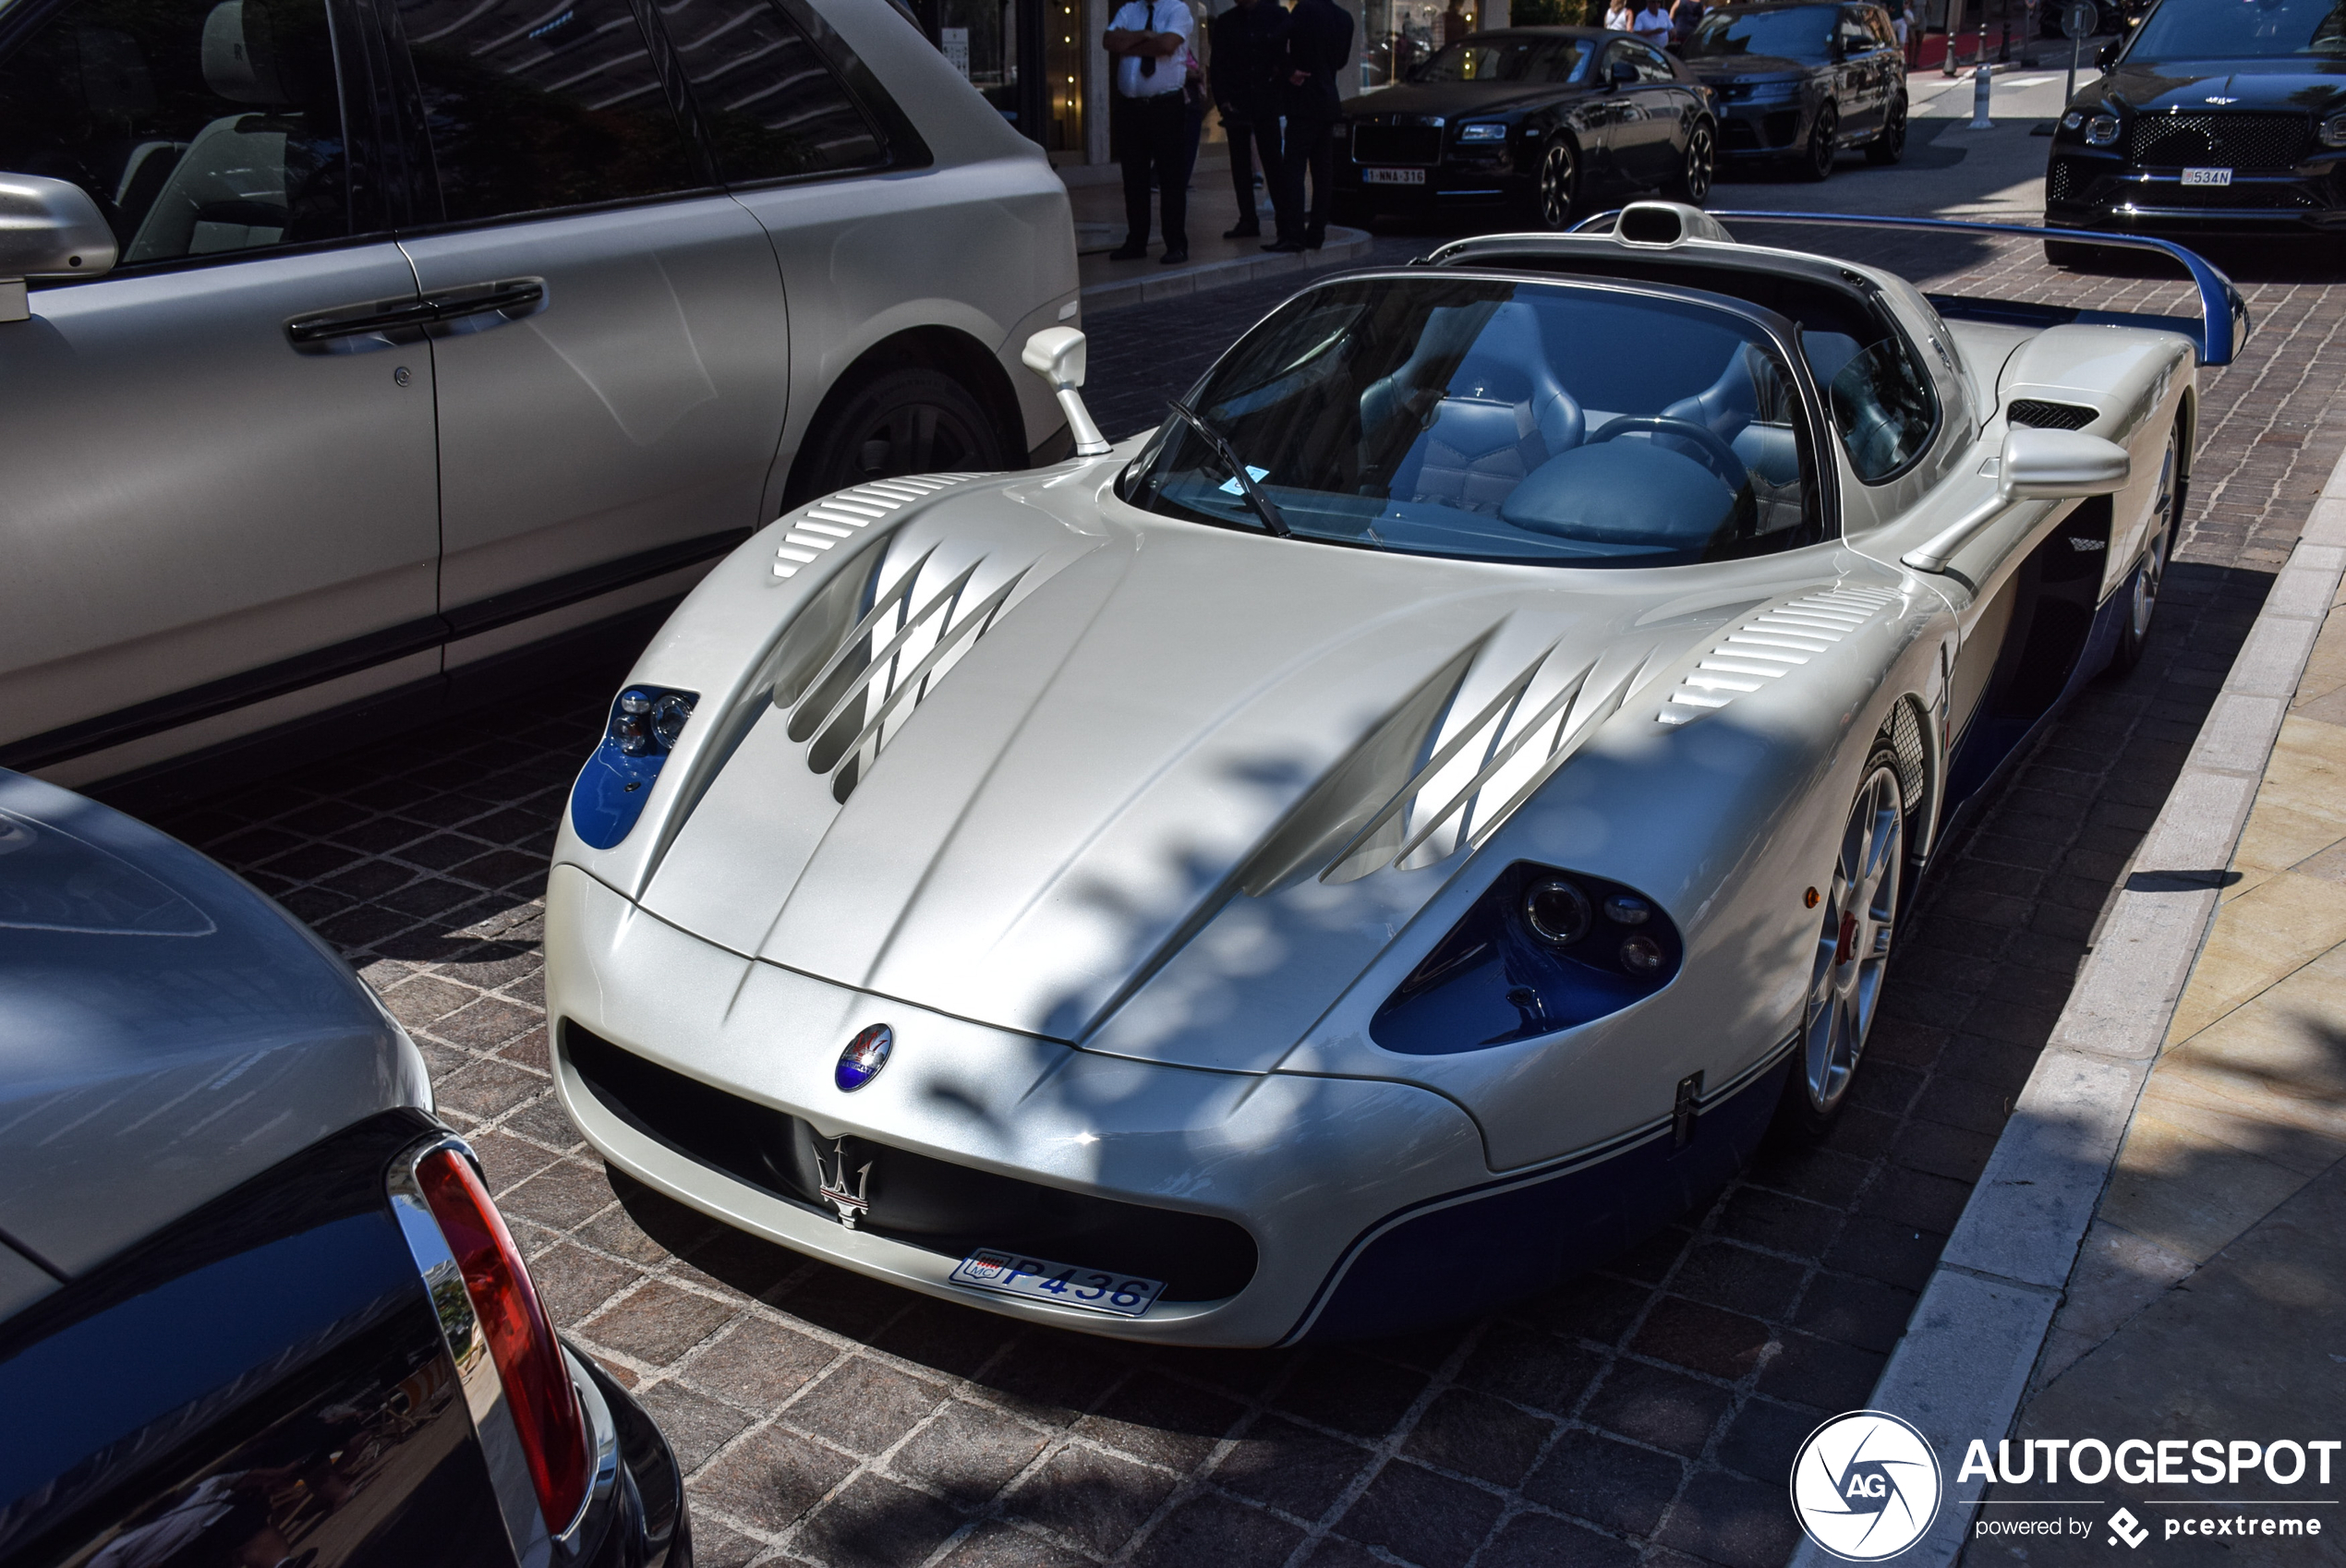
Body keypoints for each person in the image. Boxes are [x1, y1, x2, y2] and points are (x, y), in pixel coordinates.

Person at [1105, 0, 1198, 263]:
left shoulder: (1177, 10)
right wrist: (1145, 36)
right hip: (1130, 107)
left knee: (1171, 177)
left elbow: (1166, 45)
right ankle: (1136, 241)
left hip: (1165, 104)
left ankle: (1176, 244)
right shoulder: (1129, 10)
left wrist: (1129, 44)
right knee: (1133, 178)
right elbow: (1109, 42)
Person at [1267, 0, 1353, 253]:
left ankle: (1293, 233)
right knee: (1322, 171)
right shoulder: (1344, 18)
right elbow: (1341, 61)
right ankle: (1316, 233)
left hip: (1304, 97)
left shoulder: (1305, 10)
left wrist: (1290, 69)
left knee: (1293, 169)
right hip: (1327, 98)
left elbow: (1274, 40)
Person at [1210, 0, 1289, 239]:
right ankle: (1247, 219)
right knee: (1240, 165)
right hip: (1238, 102)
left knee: (1274, 162)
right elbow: (1218, 65)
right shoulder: (1226, 22)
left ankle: (1284, 221)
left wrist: (1280, 80)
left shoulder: (1277, 15)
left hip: (1266, 100)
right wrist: (1223, 101)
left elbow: (1285, 54)